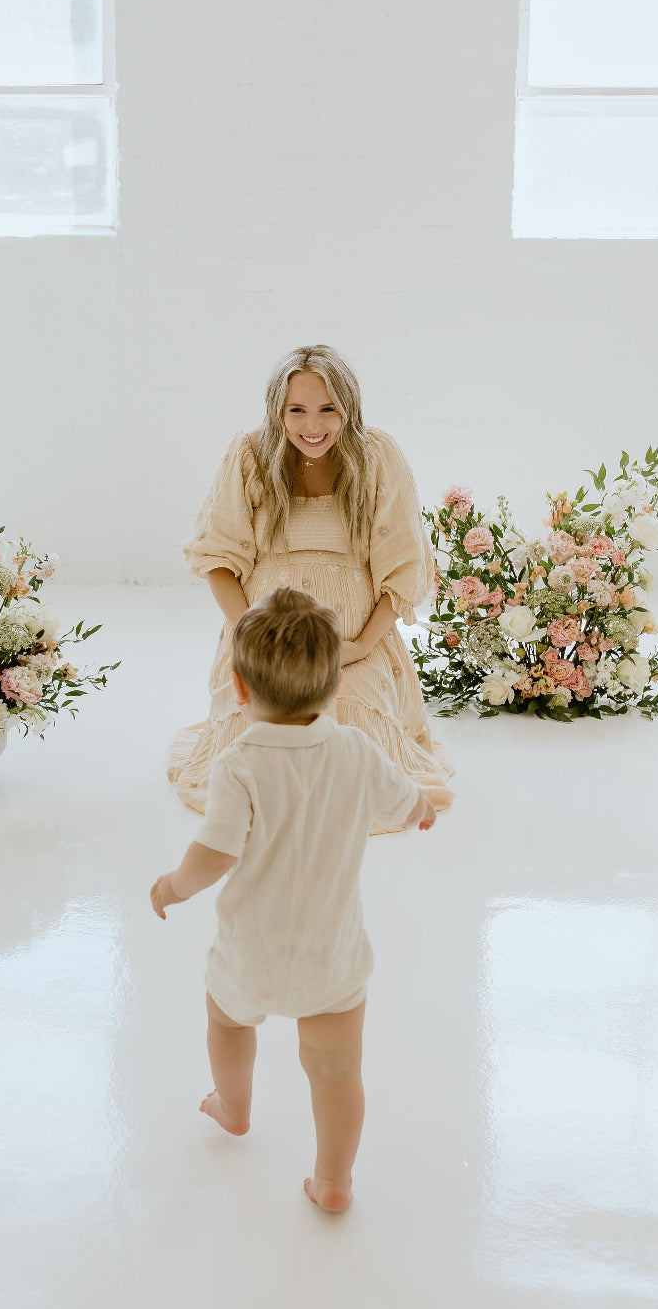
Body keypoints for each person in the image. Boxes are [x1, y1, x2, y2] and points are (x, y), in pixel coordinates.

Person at [151, 589, 436, 1213]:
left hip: (250, 953)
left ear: (239, 687)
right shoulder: (358, 752)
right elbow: (406, 799)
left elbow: (215, 854)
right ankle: (334, 1180)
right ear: (335, 683)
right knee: (336, 1072)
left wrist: (173, 886)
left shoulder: (238, 764)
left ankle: (232, 1106)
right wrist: (420, 809)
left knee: (226, 1022)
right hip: (330, 957)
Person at [167, 344, 453, 831]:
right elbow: (217, 559)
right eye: (296, 411)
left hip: (352, 636)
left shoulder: (377, 457)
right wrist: (254, 638)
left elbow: (404, 569)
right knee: (260, 733)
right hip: (263, 634)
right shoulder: (251, 455)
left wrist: (361, 645)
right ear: (277, 411)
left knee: (350, 726)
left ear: (349, 408)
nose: (312, 426)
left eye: (328, 410)